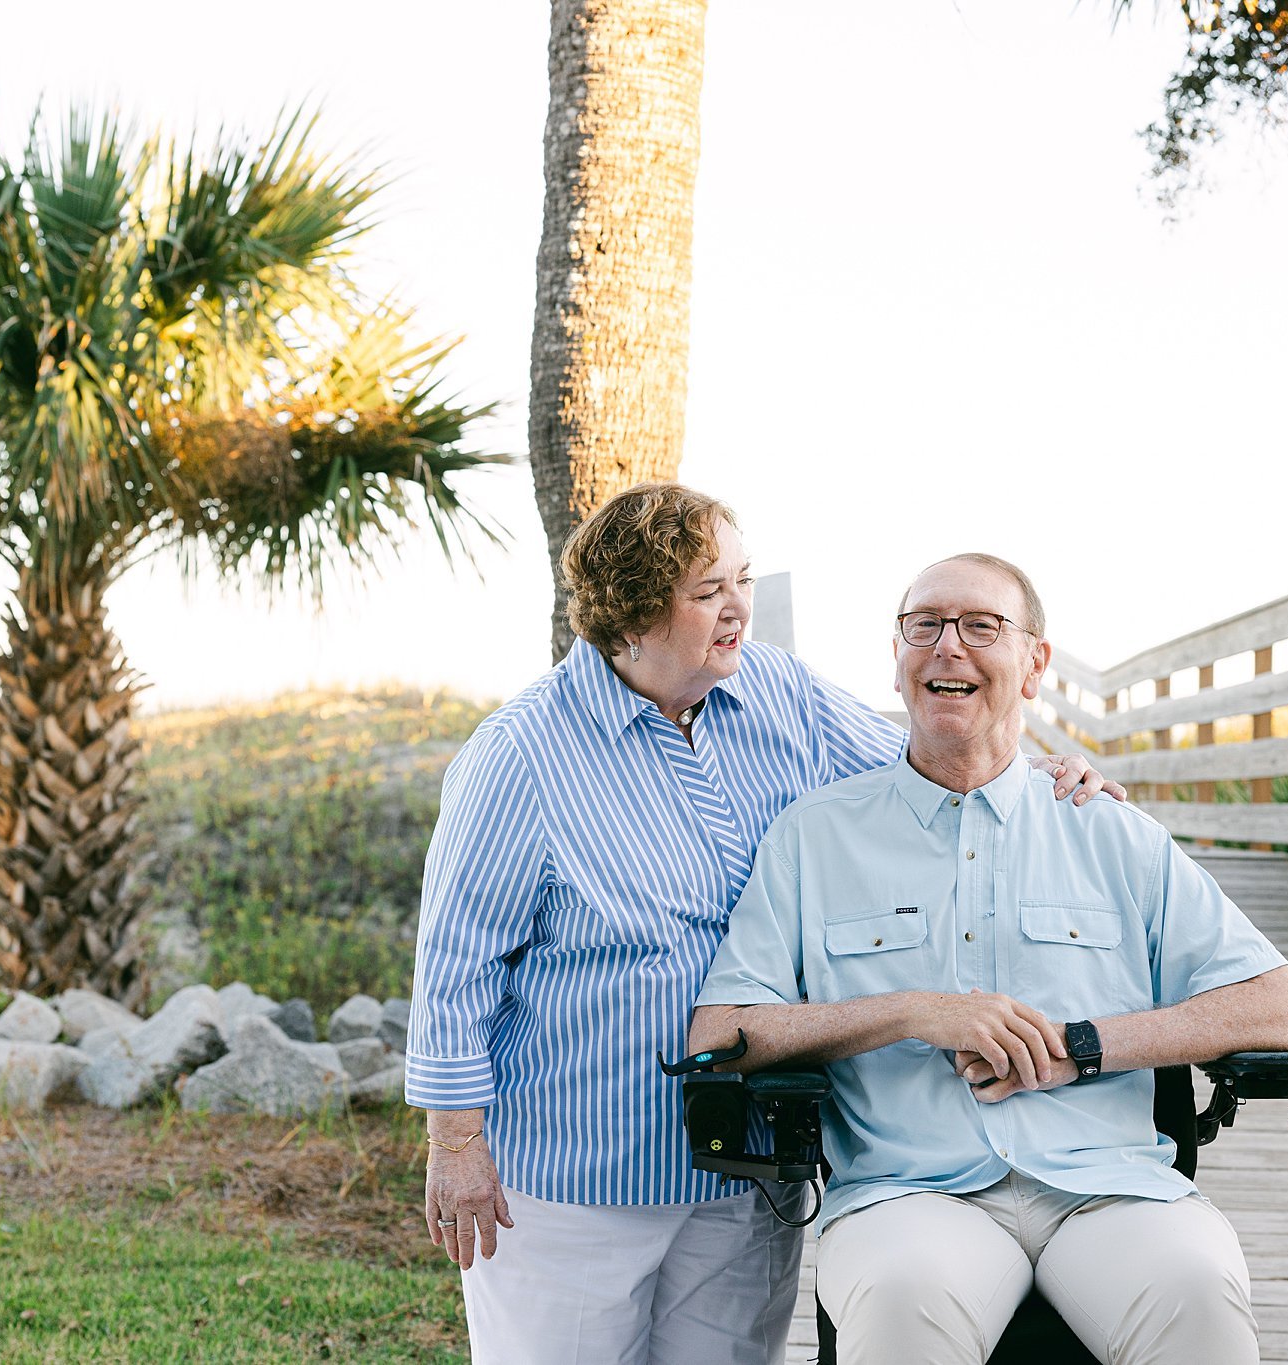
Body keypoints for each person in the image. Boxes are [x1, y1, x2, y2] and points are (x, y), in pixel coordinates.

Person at [406, 487, 1122, 1365]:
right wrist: (456, 1144)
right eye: (709, 590)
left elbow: (926, 769)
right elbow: (456, 964)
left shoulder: (780, 692)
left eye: (743, 578)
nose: (739, 604)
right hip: (577, 1172)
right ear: (634, 609)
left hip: (744, 1159)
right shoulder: (520, 755)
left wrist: (1049, 770)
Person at [688, 551, 1288, 1365]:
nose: (948, 645)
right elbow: (722, 1029)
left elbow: (1283, 1009)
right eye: (926, 624)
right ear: (898, 656)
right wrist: (914, 1011)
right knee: (901, 1297)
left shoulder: (1109, 831)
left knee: (1197, 1288)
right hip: (909, 1193)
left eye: (982, 626)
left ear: (1034, 663)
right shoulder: (814, 837)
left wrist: (1077, 1050)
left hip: (1110, 1188)